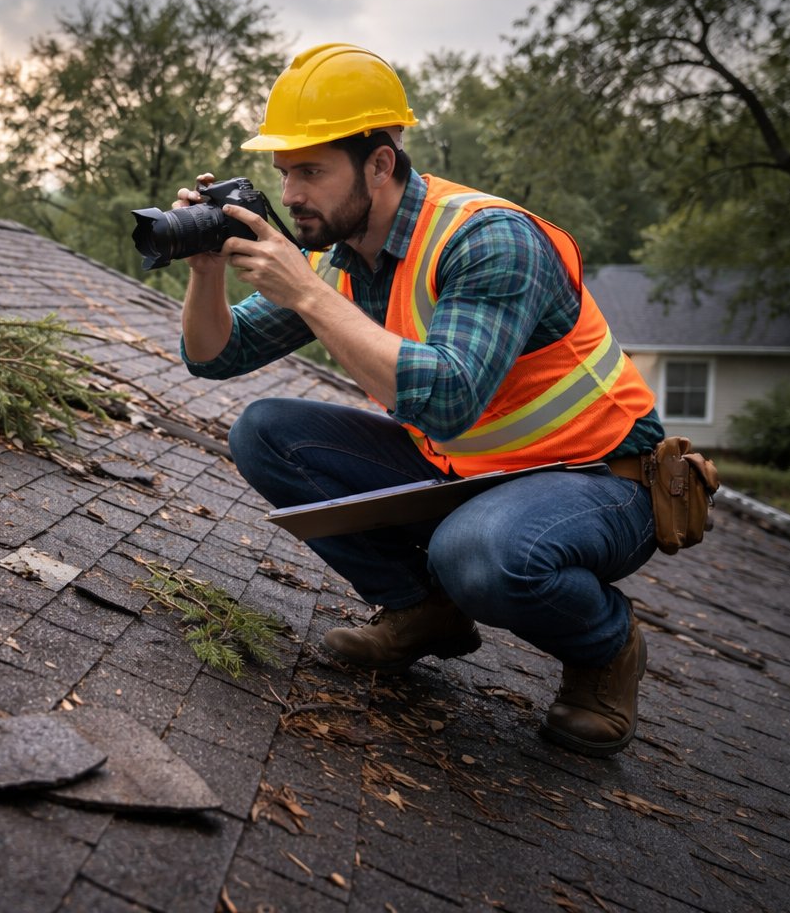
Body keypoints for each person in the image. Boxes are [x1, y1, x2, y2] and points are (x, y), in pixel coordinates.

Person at [178, 43, 664, 757]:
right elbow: (213, 357)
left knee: (479, 554)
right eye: (285, 174)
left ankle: (606, 648)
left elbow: (447, 401)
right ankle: (421, 612)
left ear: (379, 162)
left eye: (311, 171)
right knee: (265, 430)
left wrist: (308, 293)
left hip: (597, 479)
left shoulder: (489, 239)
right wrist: (206, 272)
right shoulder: (338, 253)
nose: (291, 197)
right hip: (467, 472)